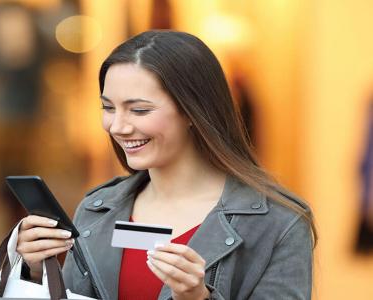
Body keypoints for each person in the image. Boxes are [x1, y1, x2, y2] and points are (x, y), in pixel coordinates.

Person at [16, 30, 316, 300]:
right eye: (108, 108)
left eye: (139, 110)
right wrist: (34, 270)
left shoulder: (280, 223)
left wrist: (198, 299)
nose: (118, 126)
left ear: (192, 111)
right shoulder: (96, 208)